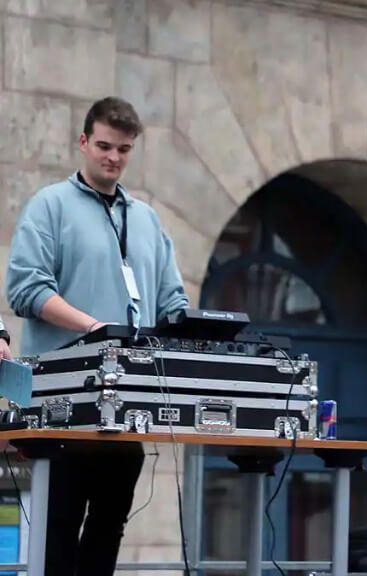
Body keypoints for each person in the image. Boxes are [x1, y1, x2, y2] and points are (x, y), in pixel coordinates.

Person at [5, 96, 190, 575]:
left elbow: (172, 303)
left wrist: (200, 330)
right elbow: (26, 289)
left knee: (108, 533)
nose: (113, 157)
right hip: (60, 404)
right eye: (105, 146)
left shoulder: (148, 221)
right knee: (57, 533)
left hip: (129, 406)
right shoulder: (49, 205)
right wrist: (93, 327)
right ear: (83, 142)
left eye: (124, 150)